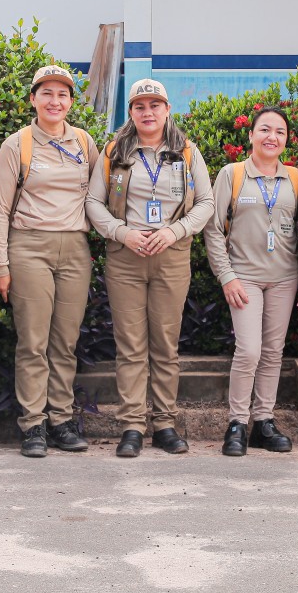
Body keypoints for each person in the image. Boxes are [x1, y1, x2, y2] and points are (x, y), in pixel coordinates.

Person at [85, 78, 215, 457]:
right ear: (131, 112)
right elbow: (94, 201)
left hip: (171, 255)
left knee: (165, 344)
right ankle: (131, 425)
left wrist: (175, 231)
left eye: (154, 105)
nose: (148, 112)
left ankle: (165, 424)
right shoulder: (115, 151)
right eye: (140, 106)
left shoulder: (186, 152)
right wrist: (121, 233)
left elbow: (206, 202)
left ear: (167, 109)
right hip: (126, 257)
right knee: (130, 345)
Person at [0, 64, 99, 458]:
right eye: (47, 93)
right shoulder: (17, 144)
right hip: (28, 246)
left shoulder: (83, 142)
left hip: (74, 248)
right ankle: (33, 424)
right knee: (33, 341)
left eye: (63, 94)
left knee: (65, 342)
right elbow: (0, 209)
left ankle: (61, 420)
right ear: (32, 99)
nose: (55, 101)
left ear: (71, 101)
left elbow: (99, 198)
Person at [203, 106, 298, 456]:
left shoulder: (295, 177)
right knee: (248, 350)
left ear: (286, 140)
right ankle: (237, 422)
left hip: (283, 279)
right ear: (250, 135)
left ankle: (263, 422)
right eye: (264, 130)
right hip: (244, 277)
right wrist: (227, 276)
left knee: (272, 352)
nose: (271, 137)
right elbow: (213, 229)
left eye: (279, 132)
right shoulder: (232, 174)